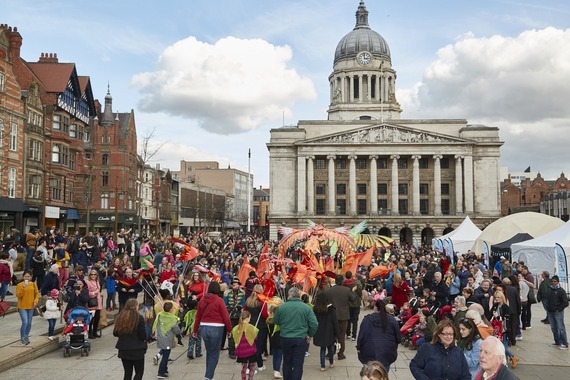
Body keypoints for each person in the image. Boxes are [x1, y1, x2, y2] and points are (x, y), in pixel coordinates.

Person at [273, 286, 318, 380]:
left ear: (290, 295)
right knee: (298, 364)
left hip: (285, 338)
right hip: (300, 338)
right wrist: (310, 334)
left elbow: (275, 320)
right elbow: (314, 324)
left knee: (287, 362)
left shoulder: (282, 307)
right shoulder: (306, 308)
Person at [193, 281, 232, 380]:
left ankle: (209, 374)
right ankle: (208, 376)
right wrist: (229, 330)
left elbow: (198, 317)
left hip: (204, 327)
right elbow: (226, 317)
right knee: (215, 353)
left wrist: (195, 330)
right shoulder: (219, 300)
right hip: (217, 327)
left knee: (209, 352)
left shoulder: (202, 300)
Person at [357, 299, 401, 372]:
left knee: (369, 373)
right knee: (383, 373)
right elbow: (398, 337)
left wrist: (359, 347)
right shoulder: (392, 320)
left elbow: (361, 335)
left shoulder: (367, 319)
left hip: (369, 351)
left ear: (376, 307)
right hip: (387, 352)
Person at [114, 298, 147, 380]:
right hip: (137, 349)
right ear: (136, 306)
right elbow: (143, 335)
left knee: (127, 373)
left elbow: (115, 333)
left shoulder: (121, 316)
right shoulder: (139, 318)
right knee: (139, 372)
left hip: (123, 349)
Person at [325, 274, 356, 360]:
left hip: (332, 315)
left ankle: (330, 352)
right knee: (341, 335)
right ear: (342, 281)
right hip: (343, 315)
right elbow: (353, 299)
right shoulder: (347, 290)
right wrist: (353, 291)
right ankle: (341, 354)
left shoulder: (329, 290)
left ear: (335, 280)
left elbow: (325, 301)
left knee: (331, 335)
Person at [489, 289, 518, 368]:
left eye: (498, 297)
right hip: (496, 327)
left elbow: (506, 318)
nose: (496, 299)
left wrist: (497, 316)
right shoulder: (495, 305)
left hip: (504, 328)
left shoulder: (506, 307)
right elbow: (490, 314)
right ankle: (507, 360)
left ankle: (511, 358)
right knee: (501, 345)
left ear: (502, 298)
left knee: (503, 345)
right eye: (495, 297)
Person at [153, 301, 181, 379]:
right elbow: (177, 331)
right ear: (171, 310)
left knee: (165, 353)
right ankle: (160, 372)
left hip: (161, 338)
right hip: (168, 340)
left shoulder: (159, 315)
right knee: (165, 357)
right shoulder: (173, 318)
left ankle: (165, 370)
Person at [244, 284, 268, 373]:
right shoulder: (262, 301)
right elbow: (265, 315)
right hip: (260, 327)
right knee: (257, 347)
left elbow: (244, 311)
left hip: (249, 326)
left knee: (250, 345)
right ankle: (250, 367)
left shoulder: (248, 300)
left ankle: (260, 365)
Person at [312, 292, 339, 372]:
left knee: (322, 349)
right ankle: (331, 362)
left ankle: (322, 366)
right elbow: (335, 322)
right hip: (329, 332)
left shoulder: (316, 309)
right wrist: (337, 333)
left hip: (320, 331)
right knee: (330, 348)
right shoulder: (331, 309)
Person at [233, 310, 260, 380]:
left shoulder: (236, 328)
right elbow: (255, 338)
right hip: (250, 350)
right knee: (252, 366)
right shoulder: (250, 327)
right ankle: (250, 378)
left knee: (244, 367)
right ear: (248, 318)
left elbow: (235, 339)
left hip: (241, 351)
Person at [224, 276, 246, 360]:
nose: (235, 286)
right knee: (231, 333)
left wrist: (238, 307)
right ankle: (231, 351)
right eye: (234, 284)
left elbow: (243, 302)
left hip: (238, 315)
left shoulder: (242, 292)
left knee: (239, 333)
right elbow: (225, 303)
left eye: (237, 284)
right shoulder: (227, 293)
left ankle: (238, 349)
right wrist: (230, 308)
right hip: (230, 315)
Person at [16, 270, 40, 345]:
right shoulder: (19, 285)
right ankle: (22, 337)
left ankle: (26, 336)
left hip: (31, 306)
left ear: (31, 277)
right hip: (22, 306)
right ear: (23, 277)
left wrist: (35, 301)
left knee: (29, 323)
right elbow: (18, 295)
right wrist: (23, 288)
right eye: (25, 276)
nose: (27, 278)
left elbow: (37, 294)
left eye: (28, 276)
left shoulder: (33, 284)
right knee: (25, 322)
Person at [546, 275, 569, 349]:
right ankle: (557, 341)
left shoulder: (561, 291)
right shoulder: (550, 290)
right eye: (552, 281)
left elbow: (565, 302)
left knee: (561, 327)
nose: (553, 283)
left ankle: (565, 343)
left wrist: (559, 309)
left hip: (557, 311)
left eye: (555, 281)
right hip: (550, 311)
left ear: (558, 282)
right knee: (553, 328)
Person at [344, 271, 363, 341]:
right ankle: (354, 335)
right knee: (355, 320)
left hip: (347, 303)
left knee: (348, 319)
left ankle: (348, 334)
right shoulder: (357, 283)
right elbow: (360, 291)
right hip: (356, 303)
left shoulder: (344, 283)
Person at [266, 304, 283, 379]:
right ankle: (277, 370)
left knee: (275, 355)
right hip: (279, 338)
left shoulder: (268, 320)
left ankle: (274, 369)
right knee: (279, 356)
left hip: (272, 339)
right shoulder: (279, 321)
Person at [85, 268, 103, 338]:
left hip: (98, 301)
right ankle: (90, 333)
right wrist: (93, 293)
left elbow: (99, 290)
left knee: (97, 318)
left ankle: (95, 331)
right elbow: (87, 292)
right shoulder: (88, 282)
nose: (93, 276)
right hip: (92, 301)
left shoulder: (97, 281)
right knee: (91, 318)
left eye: (94, 274)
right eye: (92, 274)